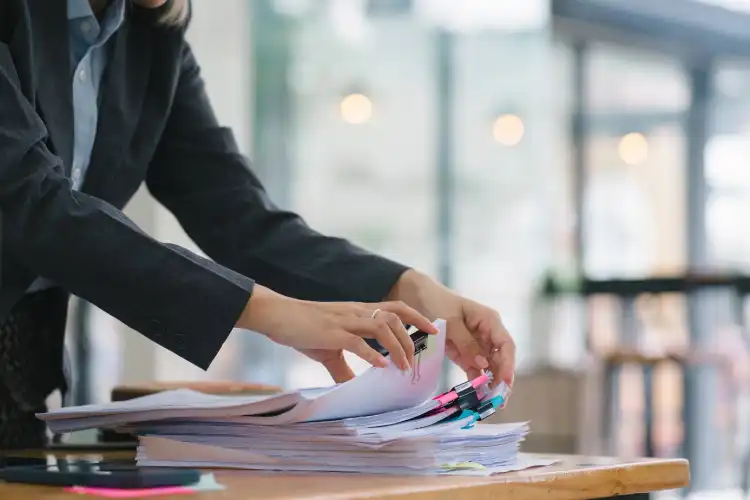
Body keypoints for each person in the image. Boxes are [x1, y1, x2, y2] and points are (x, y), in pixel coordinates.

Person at [0, 0, 515, 448]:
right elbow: (30, 202)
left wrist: (408, 290)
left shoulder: (150, 36)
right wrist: (265, 311)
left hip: (22, 381)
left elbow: (240, 219)